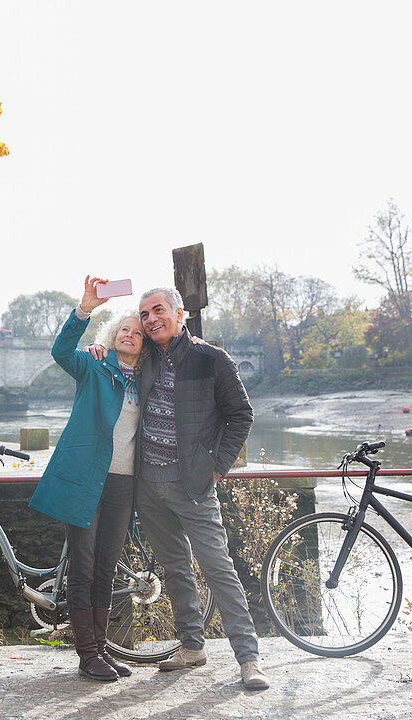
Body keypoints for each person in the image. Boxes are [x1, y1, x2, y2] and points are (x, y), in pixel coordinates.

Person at [94, 285, 268, 690]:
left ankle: (250, 659)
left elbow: (241, 415)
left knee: (218, 568)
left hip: (193, 486)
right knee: (175, 569)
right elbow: (117, 349)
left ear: (179, 313)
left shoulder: (212, 359)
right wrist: (95, 349)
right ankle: (192, 646)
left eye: (158, 311)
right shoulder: (147, 355)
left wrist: (217, 468)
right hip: (148, 487)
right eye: (145, 314)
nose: (151, 319)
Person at [28, 276, 144, 682]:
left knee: (107, 567)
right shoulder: (94, 364)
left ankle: (101, 649)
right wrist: (84, 310)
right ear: (113, 337)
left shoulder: (147, 383)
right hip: (84, 479)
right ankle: (86, 654)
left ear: (144, 344)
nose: (129, 335)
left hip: (123, 484)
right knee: (84, 562)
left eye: (137, 332)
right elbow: (61, 351)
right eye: (123, 330)